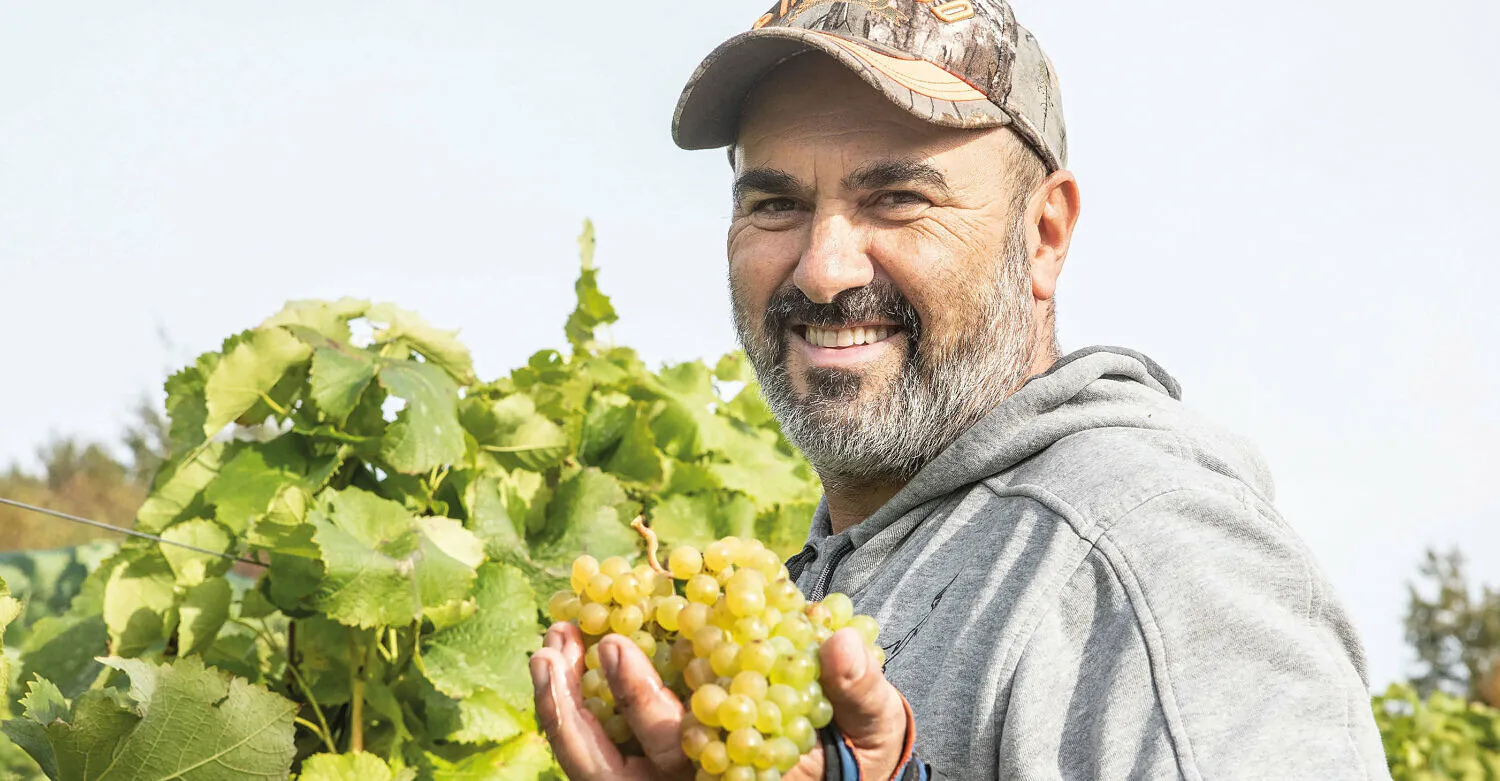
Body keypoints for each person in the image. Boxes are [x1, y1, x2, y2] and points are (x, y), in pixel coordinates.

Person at [531, 0, 1390, 778]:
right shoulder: (847, 572)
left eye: (899, 198)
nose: (825, 270)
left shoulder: (1149, 551)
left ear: (1044, 235)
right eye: (774, 205)